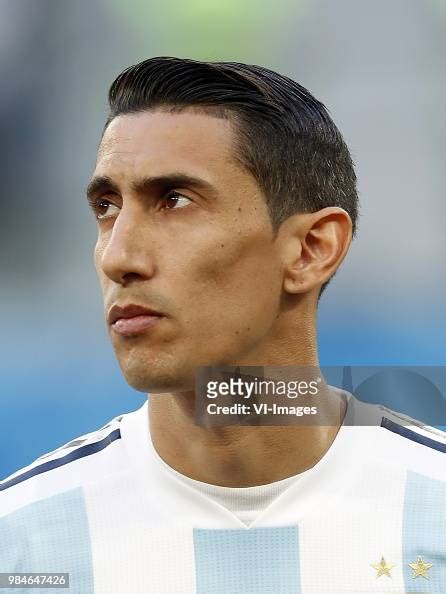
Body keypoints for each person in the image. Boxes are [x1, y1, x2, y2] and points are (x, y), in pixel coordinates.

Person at [1, 57, 444, 593]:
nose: (118, 256)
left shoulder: (431, 509)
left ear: (311, 249)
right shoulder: (21, 546)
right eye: (107, 206)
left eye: (175, 200)